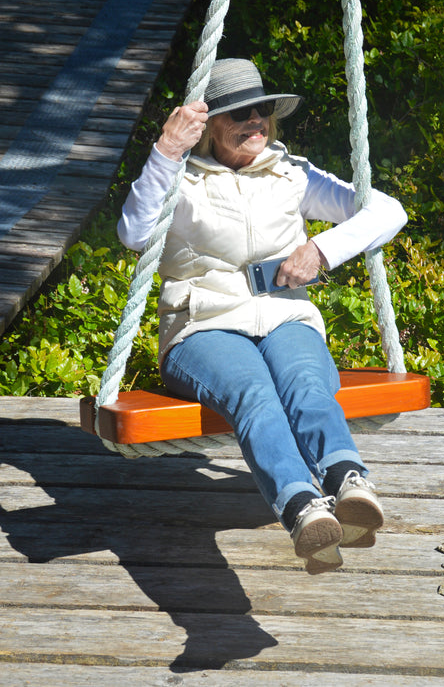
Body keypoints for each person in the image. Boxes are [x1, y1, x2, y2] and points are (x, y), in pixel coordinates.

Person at [118, 58, 407, 574]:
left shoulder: (292, 175)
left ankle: (348, 483)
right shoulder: (179, 181)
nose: (256, 122)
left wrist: (322, 249)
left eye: (263, 111)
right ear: (208, 128)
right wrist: (165, 150)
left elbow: (388, 211)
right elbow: (134, 234)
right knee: (254, 392)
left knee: (306, 383)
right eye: (240, 115)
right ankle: (302, 510)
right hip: (203, 326)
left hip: (284, 317)